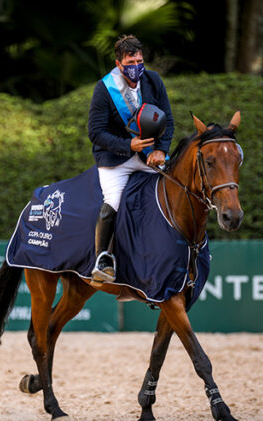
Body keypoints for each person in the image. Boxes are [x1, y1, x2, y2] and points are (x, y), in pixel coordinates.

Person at [88, 34, 175, 283]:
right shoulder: (105, 89)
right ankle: (102, 258)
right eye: (130, 62)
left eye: (139, 60)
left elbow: (167, 118)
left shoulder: (153, 80)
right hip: (115, 159)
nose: (136, 66)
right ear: (119, 64)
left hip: (150, 156)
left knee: (174, 192)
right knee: (113, 201)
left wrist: (161, 150)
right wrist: (128, 144)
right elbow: (95, 133)